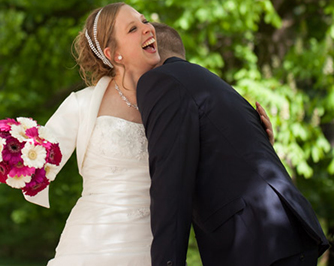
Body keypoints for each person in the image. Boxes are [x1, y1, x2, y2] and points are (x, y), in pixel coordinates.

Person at [0, 4, 274, 265]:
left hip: (154, 247)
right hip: (88, 245)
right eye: (133, 28)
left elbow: (207, 166)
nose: (148, 28)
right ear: (113, 54)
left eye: (144, 21)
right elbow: (38, 165)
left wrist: (257, 142)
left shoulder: (180, 100)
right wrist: (4, 167)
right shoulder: (83, 104)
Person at [136, 22, 330, 266]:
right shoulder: (208, 82)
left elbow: (171, 182)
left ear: (153, 51)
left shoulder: (161, 80)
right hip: (284, 231)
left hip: (255, 240)